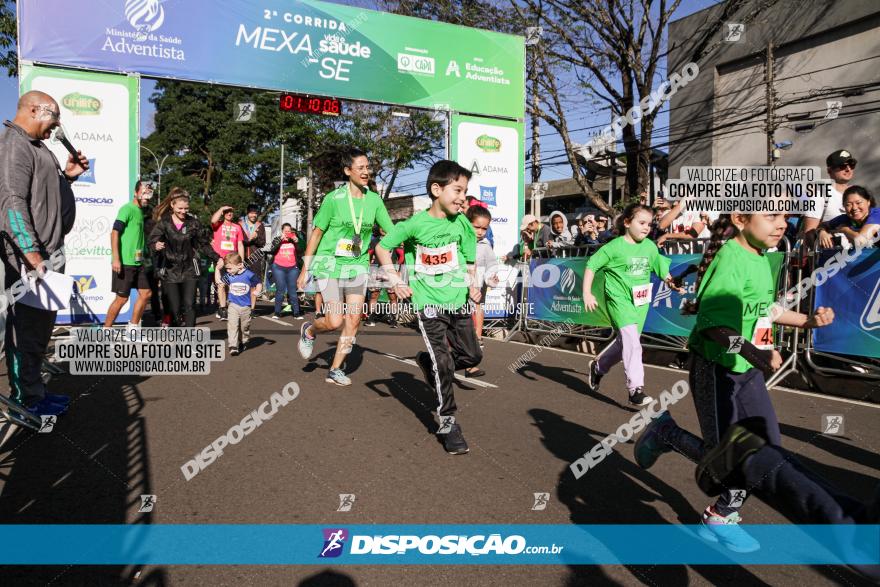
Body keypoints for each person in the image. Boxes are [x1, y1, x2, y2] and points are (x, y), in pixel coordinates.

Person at [633, 213, 835, 553]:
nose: (782, 223)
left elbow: (763, 310)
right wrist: (756, 354)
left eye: (785, 216)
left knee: (766, 446)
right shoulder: (730, 257)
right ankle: (666, 434)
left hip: (748, 370)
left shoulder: (762, 257)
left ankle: (720, 513)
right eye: (771, 215)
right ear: (741, 219)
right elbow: (715, 327)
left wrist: (807, 320)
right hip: (716, 368)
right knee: (725, 456)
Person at [375, 160, 482, 455]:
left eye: (465, 191)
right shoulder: (414, 224)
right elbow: (382, 248)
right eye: (457, 190)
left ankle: (428, 364)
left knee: (473, 355)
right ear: (437, 189)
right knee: (445, 363)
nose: (463, 197)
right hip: (429, 303)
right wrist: (395, 280)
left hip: (459, 302)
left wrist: (473, 284)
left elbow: (468, 262)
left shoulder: (463, 225)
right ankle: (448, 422)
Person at [0, 90, 88, 417]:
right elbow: (12, 204)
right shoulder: (15, 145)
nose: (57, 127)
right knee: (25, 330)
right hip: (30, 259)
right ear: (36, 109)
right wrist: (32, 256)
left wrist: (68, 176)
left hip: (49, 255)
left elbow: (46, 195)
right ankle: (26, 399)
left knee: (39, 329)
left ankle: (36, 390)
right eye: (55, 118)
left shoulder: (38, 147)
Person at [296, 148, 394, 386]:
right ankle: (310, 330)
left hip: (357, 265)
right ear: (347, 171)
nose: (365, 172)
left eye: (367, 167)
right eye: (360, 168)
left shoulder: (374, 200)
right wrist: (305, 268)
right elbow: (317, 234)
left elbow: (392, 231)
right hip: (329, 263)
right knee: (334, 321)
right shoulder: (334, 199)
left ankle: (335, 368)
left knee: (354, 319)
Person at [583, 203, 683, 407]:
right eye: (642, 222)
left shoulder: (649, 246)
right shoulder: (614, 247)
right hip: (618, 300)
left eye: (649, 224)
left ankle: (598, 367)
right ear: (627, 222)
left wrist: (672, 283)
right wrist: (587, 293)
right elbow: (591, 265)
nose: (647, 227)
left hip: (640, 302)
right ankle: (635, 389)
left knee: (626, 344)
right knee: (633, 344)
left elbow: (661, 269)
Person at [148, 189, 215, 327]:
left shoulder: (194, 223)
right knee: (175, 308)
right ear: (172, 206)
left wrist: (218, 258)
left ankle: (190, 339)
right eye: (180, 208)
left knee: (190, 305)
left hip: (190, 269)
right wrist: (156, 245)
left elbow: (203, 244)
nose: (183, 211)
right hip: (170, 270)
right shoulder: (164, 223)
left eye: (186, 208)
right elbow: (151, 241)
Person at [104, 180, 154, 329]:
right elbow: (114, 233)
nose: (147, 197)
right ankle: (105, 330)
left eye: (149, 194)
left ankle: (132, 329)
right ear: (136, 192)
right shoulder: (127, 209)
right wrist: (116, 259)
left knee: (146, 294)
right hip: (125, 263)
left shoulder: (141, 212)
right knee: (121, 299)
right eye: (144, 193)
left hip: (140, 263)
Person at [465, 205, 500, 376]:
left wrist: (491, 278)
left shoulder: (486, 245)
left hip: (478, 288)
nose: (480, 231)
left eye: (484, 228)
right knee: (459, 324)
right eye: (476, 227)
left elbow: (492, 265)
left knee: (475, 315)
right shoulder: (459, 241)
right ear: (467, 223)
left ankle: (472, 362)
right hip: (459, 288)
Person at [803, 150, 857, 243]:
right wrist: (821, 232)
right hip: (833, 254)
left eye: (851, 165)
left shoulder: (857, 193)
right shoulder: (821, 194)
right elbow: (809, 233)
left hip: (861, 253)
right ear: (829, 170)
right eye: (842, 166)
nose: (848, 169)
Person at [222, 252, 262, 356]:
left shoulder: (249, 274)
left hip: (246, 306)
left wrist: (258, 291)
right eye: (227, 269)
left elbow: (258, 283)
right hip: (233, 305)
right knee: (232, 325)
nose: (228, 271)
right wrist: (217, 270)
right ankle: (233, 346)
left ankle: (244, 339)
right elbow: (219, 281)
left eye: (230, 268)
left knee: (244, 327)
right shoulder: (229, 276)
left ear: (239, 265)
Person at [210, 205, 245, 321]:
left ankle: (231, 308)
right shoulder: (218, 225)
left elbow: (240, 244)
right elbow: (213, 220)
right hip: (220, 259)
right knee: (221, 284)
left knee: (232, 285)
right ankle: (223, 309)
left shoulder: (237, 227)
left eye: (231, 212)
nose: (229, 214)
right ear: (223, 214)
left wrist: (242, 261)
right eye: (227, 212)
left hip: (233, 260)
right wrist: (221, 208)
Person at [269, 223, 303, 319]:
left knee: (292, 291)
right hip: (278, 267)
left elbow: (300, 251)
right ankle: (277, 312)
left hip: (292, 268)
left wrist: (297, 241)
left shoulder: (294, 240)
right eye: (285, 231)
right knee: (280, 290)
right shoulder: (277, 239)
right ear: (282, 231)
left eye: (289, 231)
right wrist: (280, 240)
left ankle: (296, 313)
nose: (287, 233)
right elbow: (272, 250)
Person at [240, 204, 266, 305]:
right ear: (247, 214)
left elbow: (262, 243)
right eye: (251, 213)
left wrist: (256, 238)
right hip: (242, 257)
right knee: (242, 282)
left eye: (255, 213)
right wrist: (249, 239)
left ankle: (252, 308)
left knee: (254, 282)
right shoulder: (240, 225)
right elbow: (240, 241)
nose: (253, 215)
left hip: (255, 258)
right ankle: (242, 304)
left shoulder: (260, 225)